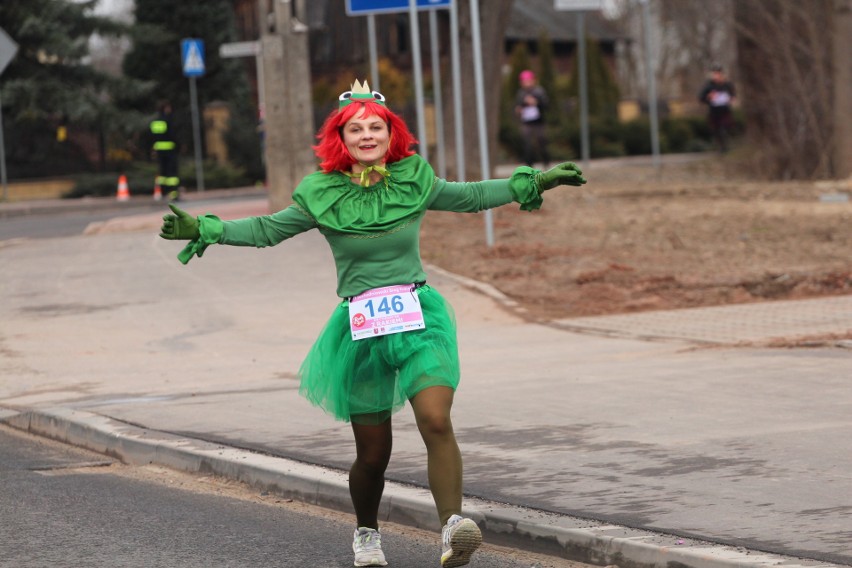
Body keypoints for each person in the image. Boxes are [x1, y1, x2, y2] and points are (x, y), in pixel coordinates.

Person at [159, 80, 586, 567]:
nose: (367, 135)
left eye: (375, 126)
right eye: (356, 128)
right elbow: (265, 230)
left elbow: (470, 195)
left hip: (419, 317)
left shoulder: (413, 180)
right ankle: (366, 532)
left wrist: (535, 182)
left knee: (435, 419)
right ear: (341, 137)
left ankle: (451, 527)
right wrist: (206, 228)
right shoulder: (321, 194)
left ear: (391, 133)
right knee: (373, 454)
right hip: (360, 327)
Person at [514, 69, 550, 168]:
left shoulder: (539, 91)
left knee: (541, 141)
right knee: (527, 143)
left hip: (539, 121)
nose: (527, 84)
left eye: (528, 81)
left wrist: (536, 103)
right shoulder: (521, 93)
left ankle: (546, 162)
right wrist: (518, 110)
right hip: (526, 122)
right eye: (524, 82)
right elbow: (517, 107)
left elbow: (546, 105)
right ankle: (529, 164)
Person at [698, 64, 736, 153]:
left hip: (725, 110)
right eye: (714, 74)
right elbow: (701, 98)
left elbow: (733, 95)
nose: (716, 76)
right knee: (716, 130)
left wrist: (732, 99)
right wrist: (708, 97)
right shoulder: (709, 86)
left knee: (724, 128)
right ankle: (721, 147)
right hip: (714, 111)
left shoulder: (727, 85)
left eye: (718, 73)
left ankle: (725, 146)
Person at [150, 101, 181, 200]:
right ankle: (174, 194)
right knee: (172, 173)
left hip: (159, 150)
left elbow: (151, 137)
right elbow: (172, 135)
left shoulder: (155, 121)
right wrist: (178, 145)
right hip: (170, 150)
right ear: (165, 108)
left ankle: (162, 193)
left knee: (162, 172)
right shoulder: (168, 120)